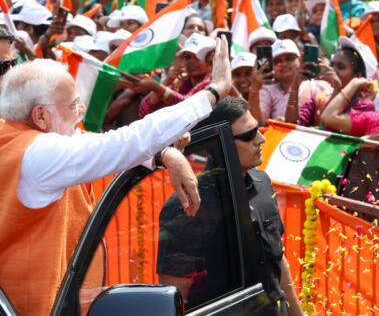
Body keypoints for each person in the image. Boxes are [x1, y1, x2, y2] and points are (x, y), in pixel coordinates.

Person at [0, 37, 233, 315]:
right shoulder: (39, 154)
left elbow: (97, 142)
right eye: (74, 105)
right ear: (40, 116)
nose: (81, 112)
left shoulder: (13, 136)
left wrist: (163, 155)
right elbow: (125, 142)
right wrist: (214, 92)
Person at [157, 97, 302, 315]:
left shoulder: (262, 184)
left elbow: (278, 262)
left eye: (258, 129)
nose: (261, 139)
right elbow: (175, 294)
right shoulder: (188, 204)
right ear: (218, 143)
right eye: (248, 135)